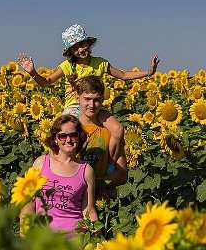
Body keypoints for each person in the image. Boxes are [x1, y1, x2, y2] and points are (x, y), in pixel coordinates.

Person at [18, 23, 159, 171]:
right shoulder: (67, 66)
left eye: (82, 44)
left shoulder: (100, 63)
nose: (80, 50)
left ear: (88, 43)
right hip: (74, 108)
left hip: (96, 107)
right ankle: (57, 168)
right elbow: (46, 82)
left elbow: (123, 75)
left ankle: (109, 167)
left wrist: (149, 72)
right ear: (71, 51)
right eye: (75, 48)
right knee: (64, 134)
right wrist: (32, 72)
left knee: (118, 129)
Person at [20, 114, 98, 238]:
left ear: (79, 138)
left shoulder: (86, 171)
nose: (68, 140)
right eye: (62, 136)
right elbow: (29, 203)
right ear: (55, 139)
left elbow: (88, 210)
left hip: (74, 238)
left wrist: (97, 239)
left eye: (73, 135)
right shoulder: (41, 164)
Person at [74, 75, 128, 198]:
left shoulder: (109, 131)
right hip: (74, 203)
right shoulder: (69, 132)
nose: (92, 105)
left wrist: (94, 184)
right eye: (87, 99)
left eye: (96, 100)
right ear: (77, 98)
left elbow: (122, 175)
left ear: (103, 99)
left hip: (102, 203)